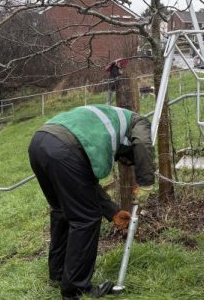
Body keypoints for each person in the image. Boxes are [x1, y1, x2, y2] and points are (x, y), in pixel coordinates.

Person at [28, 104, 155, 299]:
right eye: (127, 159)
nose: (122, 161)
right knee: (86, 219)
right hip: (65, 149)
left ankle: (59, 273)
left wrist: (112, 211)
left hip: (40, 142)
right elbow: (144, 144)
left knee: (61, 210)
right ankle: (75, 289)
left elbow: (84, 184)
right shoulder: (138, 122)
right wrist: (146, 182)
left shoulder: (106, 118)